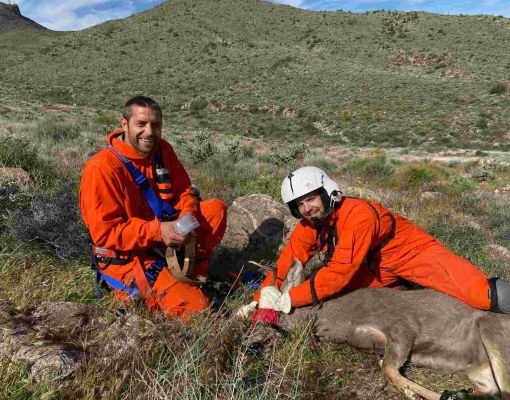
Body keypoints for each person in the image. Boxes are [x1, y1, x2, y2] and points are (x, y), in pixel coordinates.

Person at [246, 166, 510, 319]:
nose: (307, 208)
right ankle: (404, 288)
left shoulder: (358, 214)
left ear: (327, 193)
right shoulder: (310, 225)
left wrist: (288, 298)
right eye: (300, 205)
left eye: (311, 199)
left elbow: (338, 273)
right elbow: (285, 264)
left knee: (481, 294)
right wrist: (260, 300)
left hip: (411, 254)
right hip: (374, 268)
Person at [79, 96, 227, 319]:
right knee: (198, 312)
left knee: (215, 210)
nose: (149, 132)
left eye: (155, 125)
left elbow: (184, 190)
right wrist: (158, 231)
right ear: (124, 124)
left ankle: (193, 274)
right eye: (141, 124)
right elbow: (105, 234)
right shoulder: (102, 169)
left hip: (163, 239)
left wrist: (186, 218)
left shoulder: (162, 150)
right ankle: (139, 290)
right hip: (129, 256)